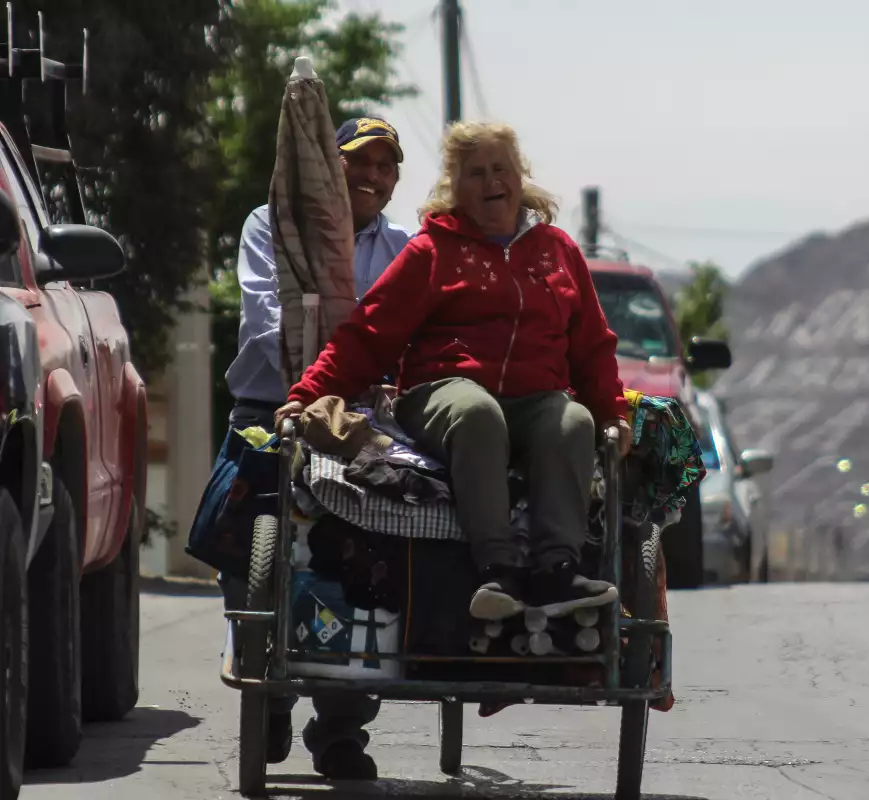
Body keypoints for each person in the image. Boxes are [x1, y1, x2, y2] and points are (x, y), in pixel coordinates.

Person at [275, 119, 634, 624]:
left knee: (574, 421)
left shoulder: (559, 251)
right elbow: (368, 333)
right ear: (456, 187)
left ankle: (558, 569)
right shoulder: (432, 251)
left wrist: (612, 413)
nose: (492, 182)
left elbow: (593, 346)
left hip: (536, 398)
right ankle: (497, 570)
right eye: (476, 173)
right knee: (478, 412)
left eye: (501, 169)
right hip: (441, 393)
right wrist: (308, 393)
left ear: (519, 177)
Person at [218, 116, 409, 780]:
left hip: (358, 420)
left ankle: (340, 730)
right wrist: (348, 353)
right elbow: (266, 317)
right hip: (268, 408)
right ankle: (266, 689)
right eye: (361, 161)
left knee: (366, 565)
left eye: (386, 166)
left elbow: (410, 334)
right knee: (242, 553)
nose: (373, 176)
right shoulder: (271, 226)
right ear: (331, 165)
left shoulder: (404, 248)